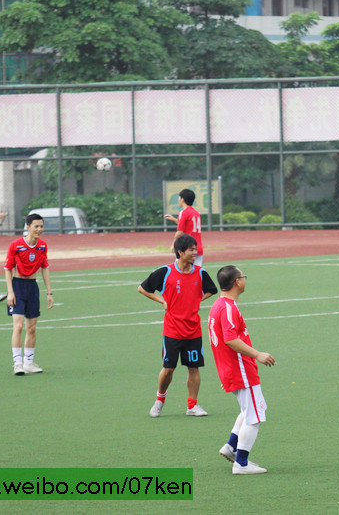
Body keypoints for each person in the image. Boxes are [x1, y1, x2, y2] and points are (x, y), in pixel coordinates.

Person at [139, 234, 217, 418]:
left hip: (193, 331)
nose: (195, 252)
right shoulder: (165, 272)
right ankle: (159, 401)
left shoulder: (200, 273)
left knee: (194, 368)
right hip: (172, 330)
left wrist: (198, 299)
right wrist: (162, 301)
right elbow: (142, 289)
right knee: (169, 369)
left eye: (195, 249)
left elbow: (211, 290)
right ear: (180, 252)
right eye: (191, 249)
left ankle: (192, 405)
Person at [209, 265, 276, 475]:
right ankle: (241, 463)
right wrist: (257, 354)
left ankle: (231, 447)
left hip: (233, 369)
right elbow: (230, 339)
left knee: (250, 410)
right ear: (237, 282)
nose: (245, 279)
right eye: (243, 276)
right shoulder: (228, 307)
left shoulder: (218, 305)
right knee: (254, 416)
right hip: (240, 369)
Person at [4, 213, 52, 376]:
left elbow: (45, 268)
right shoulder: (16, 245)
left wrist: (49, 292)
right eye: (36, 226)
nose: (39, 229)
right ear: (28, 227)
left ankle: (29, 363)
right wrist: (10, 292)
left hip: (32, 287)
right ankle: (17, 364)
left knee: (31, 328)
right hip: (17, 287)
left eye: (41, 226)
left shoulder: (42, 246)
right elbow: (8, 269)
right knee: (18, 326)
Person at [164, 188, 204, 267]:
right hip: (198, 248)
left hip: (187, 249)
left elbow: (179, 232)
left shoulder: (183, 212)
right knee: (195, 272)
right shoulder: (196, 213)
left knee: (179, 270)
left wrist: (174, 245)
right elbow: (188, 226)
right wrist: (175, 220)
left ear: (182, 200)